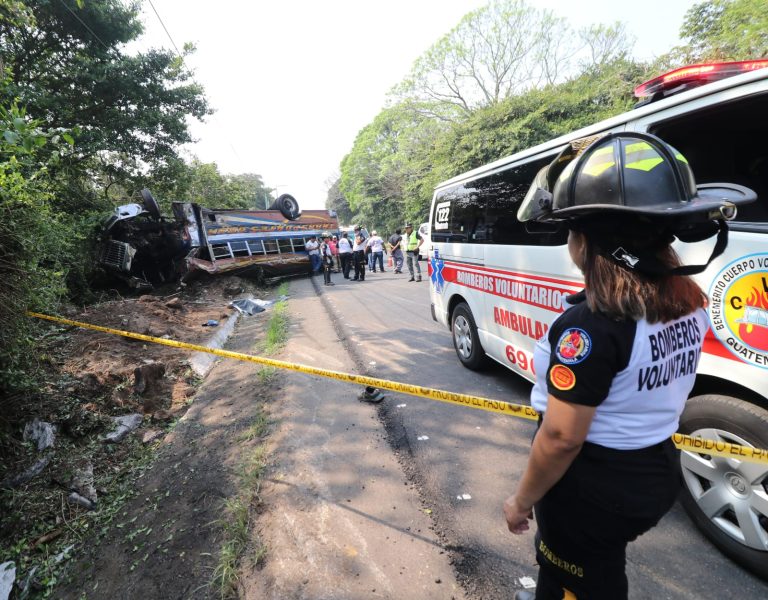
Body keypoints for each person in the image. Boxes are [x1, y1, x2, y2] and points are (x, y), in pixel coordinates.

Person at [503, 132, 755, 600]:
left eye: (572, 233)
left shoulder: (592, 329)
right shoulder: (687, 303)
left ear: (587, 241)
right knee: (591, 564)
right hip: (653, 469)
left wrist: (522, 501)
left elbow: (560, 438)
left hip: (591, 487)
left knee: (580, 574)